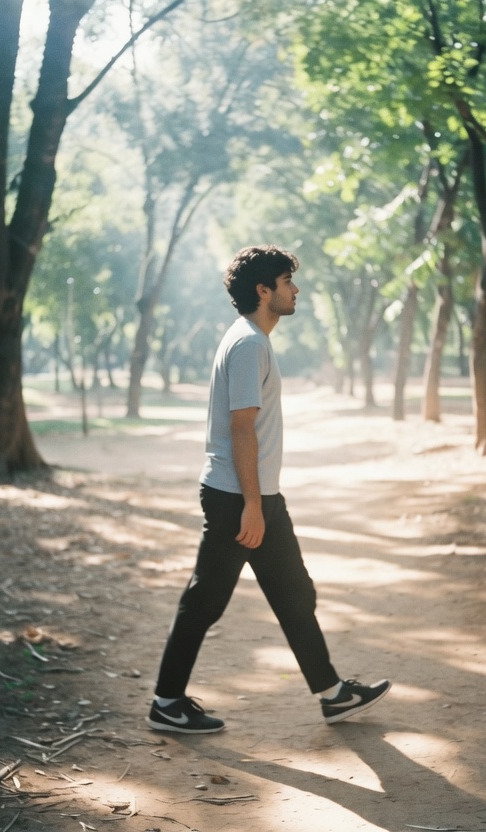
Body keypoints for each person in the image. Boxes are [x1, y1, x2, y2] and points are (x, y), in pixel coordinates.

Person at [147, 244, 390, 734]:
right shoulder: (250, 344)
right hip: (238, 497)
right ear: (264, 291)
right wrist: (253, 506)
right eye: (286, 282)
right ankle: (166, 703)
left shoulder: (252, 339)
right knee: (205, 601)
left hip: (257, 496)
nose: (295, 289)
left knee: (295, 593)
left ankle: (333, 694)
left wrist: (264, 502)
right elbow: (242, 428)